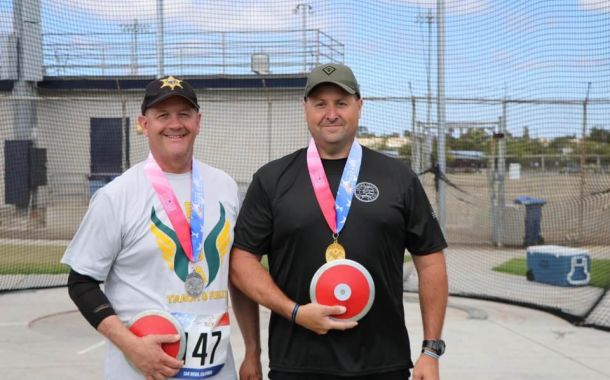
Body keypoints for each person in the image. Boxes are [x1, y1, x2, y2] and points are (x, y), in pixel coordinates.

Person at [230, 63, 448, 380]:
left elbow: (430, 261)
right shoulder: (272, 179)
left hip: (383, 364)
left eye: (341, 103)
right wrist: (293, 312)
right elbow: (241, 262)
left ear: (359, 106)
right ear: (305, 109)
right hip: (297, 365)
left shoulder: (398, 177)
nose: (331, 114)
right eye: (320, 104)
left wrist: (430, 351)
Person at [62, 76, 262, 380]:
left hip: (217, 370)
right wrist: (130, 345)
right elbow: (81, 283)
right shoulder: (117, 195)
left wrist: (252, 351)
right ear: (144, 123)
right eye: (162, 115)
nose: (175, 124)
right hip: (142, 370)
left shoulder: (224, 187)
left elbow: (238, 275)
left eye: (184, 114)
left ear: (198, 121)